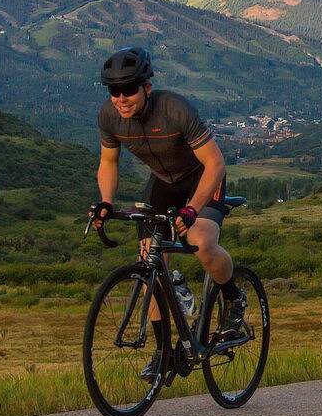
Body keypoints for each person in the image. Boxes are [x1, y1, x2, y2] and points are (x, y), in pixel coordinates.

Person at [91, 47, 246, 381]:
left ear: (147, 87)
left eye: (128, 89)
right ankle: (162, 353)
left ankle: (234, 297)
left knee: (201, 242)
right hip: (162, 183)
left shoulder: (174, 110)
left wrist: (192, 209)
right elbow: (108, 162)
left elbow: (216, 163)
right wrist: (106, 200)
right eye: (114, 91)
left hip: (202, 178)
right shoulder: (108, 116)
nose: (121, 98)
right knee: (149, 260)